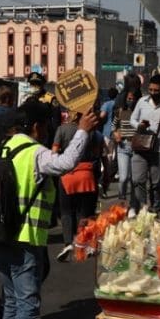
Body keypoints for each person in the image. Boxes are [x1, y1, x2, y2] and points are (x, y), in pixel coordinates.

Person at [0, 99, 100, 319]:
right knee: (26, 307)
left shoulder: (2, 149)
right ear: (38, 127)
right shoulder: (32, 152)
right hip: (26, 239)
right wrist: (82, 132)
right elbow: (65, 164)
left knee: (12, 303)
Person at [53, 111, 104, 261]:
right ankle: (85, 244)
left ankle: (68, 243)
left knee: (66, 211)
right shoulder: (94, 132)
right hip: (87, 175)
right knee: (85, 213)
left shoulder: (62, 129)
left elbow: (54, 151)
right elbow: (98, 154)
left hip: (67, 176)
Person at [129, 74, 160, 212]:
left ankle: (155, 207)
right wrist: (139, 125)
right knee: (138, 180)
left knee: (156, 182)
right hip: (141, 147)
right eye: (151, 89)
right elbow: (132, 119)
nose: (153, 93)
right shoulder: (142, 101)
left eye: (156, 90)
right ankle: (143, 206)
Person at [112, 87, 140, 202]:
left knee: (134, 178)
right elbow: (113, 126)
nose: (130, 100)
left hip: (136, 147)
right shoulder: (120, 111)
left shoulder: (139, 112)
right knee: (123, 178)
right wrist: (115, 134)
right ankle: (121, 196)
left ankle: (133, 200)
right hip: (123, 146)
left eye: (133, 99)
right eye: (129, 98)